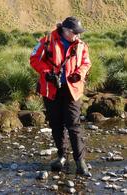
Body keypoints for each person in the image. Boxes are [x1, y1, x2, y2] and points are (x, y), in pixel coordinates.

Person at [30, 16, 91, 177]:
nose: (77, 36)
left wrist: (80, 74)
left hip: (72, 89)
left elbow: (86, 62)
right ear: (65, 30)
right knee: (56, 124)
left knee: (74, 125)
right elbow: (34, 58)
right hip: (52, 89)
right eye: (74, 33)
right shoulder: (47, 41)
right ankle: (62, 156)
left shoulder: (81, 45)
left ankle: (80, 161)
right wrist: (47, 73)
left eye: (79, 33)